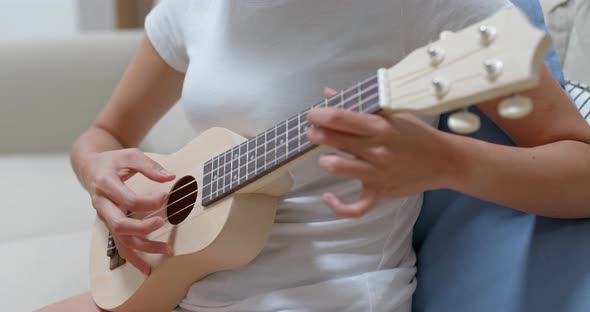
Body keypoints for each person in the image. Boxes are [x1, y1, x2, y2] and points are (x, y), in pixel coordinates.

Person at [40, 0, 590, 311]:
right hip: (177, 289)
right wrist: (97, 170)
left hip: (325, 299)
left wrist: (449, 161)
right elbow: (104, 132)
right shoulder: (194, 7)